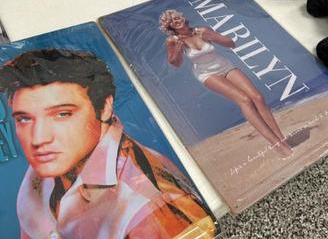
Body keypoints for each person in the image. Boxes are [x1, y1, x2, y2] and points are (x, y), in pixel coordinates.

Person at [0, 48, 215, 239]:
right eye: (24, 119)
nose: (38, 139)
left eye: (63, 114)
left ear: (104, 108)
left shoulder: (151, 209)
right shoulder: (50, 162)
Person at [159, 10, 292, 158]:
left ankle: (282, 139)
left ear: (182, 17)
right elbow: (175, 63)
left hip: (225, 66)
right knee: (244, 100)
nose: (176, 21)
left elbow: (231, 43)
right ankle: (277, 145)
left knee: (258, 97)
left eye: (176, 17)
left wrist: (213, 36)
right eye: (172, 21)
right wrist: (177, 50)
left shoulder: (202, 30)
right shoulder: (173, 41)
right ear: (170, 27)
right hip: (207, 74)